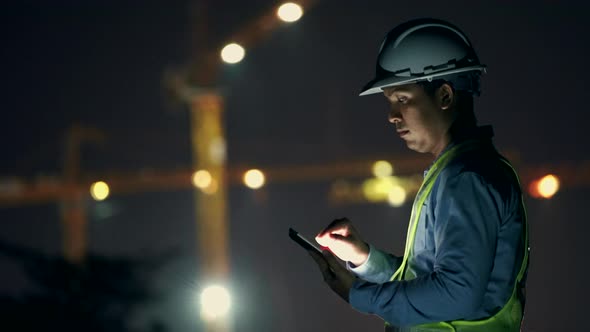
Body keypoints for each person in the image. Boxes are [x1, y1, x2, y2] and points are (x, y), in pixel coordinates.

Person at [307, 18, 529, 332]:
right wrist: (364, 259)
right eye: (390, 102)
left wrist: (359, 295)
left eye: (402, 99)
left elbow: (456, 294)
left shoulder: (467, 178)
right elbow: (428, 282)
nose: (392, 116)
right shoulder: (455, 173)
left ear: (445, 96)